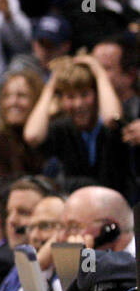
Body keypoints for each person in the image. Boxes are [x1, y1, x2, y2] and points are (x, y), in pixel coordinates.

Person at [23, 54, 131, 195]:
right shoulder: (62, 128)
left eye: (85, 94)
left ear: (97, 94)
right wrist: (51, 86)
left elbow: (112, 118)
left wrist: (99, 74)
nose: (78, 104)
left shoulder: (108, 126)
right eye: (70, 97)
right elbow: (33, 136)